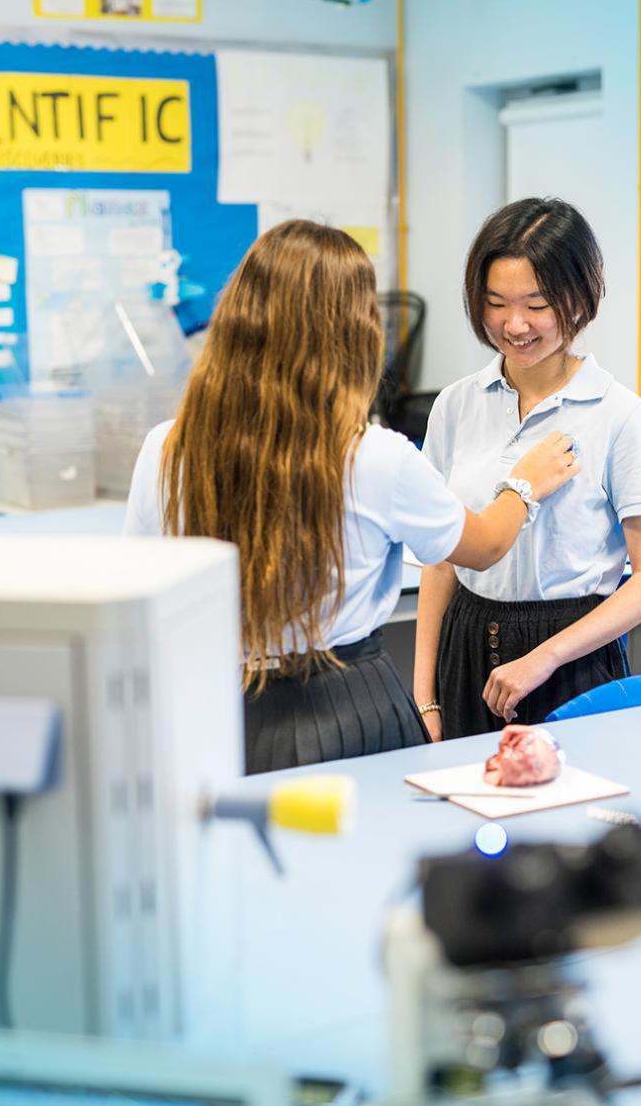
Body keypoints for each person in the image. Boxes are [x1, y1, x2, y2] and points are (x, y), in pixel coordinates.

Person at [123, 219, 578, 773]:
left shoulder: (165, 448)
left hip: (213, 708)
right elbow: (481, 547)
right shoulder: (374, 455)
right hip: (346, 709)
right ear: (352, 331)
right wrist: (524, 484)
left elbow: (141, 590)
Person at [413, 198, 641, 741]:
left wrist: (544, 658)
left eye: (537, 304)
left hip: (572, 658)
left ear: (580, 297)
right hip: (466, 645)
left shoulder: (617, 413)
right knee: (466, 814)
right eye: (495, 303)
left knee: (576, 821)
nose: (514, 325)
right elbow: (441, 561)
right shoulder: (456, 405)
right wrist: (425, 695)